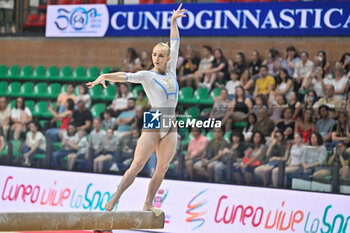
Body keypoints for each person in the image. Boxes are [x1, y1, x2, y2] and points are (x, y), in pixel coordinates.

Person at [87, 4, 186, 214]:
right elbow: (124, 76)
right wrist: (105, 76)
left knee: (163, 167)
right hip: (154, 119)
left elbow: (175, 42)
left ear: (168, 58)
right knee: (138, 164)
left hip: (171, 122)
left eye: (161, 55)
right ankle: (115, 197)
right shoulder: (146, 75)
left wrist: (172, 22)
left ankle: (148, 203)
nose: (156, 58)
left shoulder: (171, 71)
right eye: (154, 54)